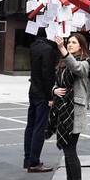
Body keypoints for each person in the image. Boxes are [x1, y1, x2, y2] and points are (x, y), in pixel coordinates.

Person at [50, 32, 90, 180]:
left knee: (70, 150)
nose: (69, 44)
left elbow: (76, 68)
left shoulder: (85, 63)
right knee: (67, 150)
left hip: (74, 112)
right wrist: (54, 90)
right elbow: (57, 81)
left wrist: (61, 49)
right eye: (68, 42)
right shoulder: (63, 62)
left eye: (73, 42)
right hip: (63, 110)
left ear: (81, 45)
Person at [24, 34, 58, 172]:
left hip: (33, 89)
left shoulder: (34, 46)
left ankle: (28, 159)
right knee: (39, 126)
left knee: (31, 125)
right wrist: (50, 96)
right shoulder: (48, 50)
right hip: (42, 93)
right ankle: (34, 162)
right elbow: (47, 74)